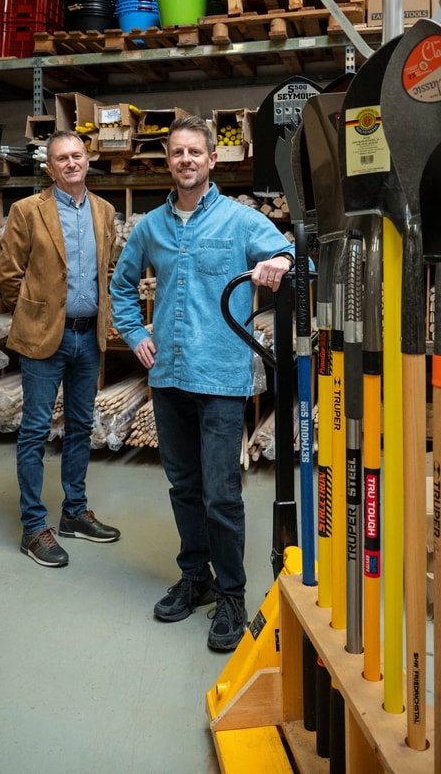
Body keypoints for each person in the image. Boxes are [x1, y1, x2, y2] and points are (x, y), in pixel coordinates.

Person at [109, 114, 295, 651]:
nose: (186, 160)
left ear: (212, 160)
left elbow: (288, 252)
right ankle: (197, 577)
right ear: (168, 161)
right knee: (184, 488)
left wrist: (277, 263)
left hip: (220, 378)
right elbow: (121, 286)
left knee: (221, 494)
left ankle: (232, 593)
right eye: (177, 153)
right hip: (166, 377)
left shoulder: (240, 221)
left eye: (195, 152)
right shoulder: (150, 227)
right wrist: (135, 331)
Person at [0, 129, 120, 567]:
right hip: (45, 336)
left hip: (89, 336)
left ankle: (74, 514)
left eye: (77, 156)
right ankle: (33, 528)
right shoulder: (28, 210)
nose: (71, 164)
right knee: (34, 432)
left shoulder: (104, 211)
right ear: (49, 168)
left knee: (81, 426)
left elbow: (107, 266)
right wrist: (34, 314)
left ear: (88, 161)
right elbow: (7, 276)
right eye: (61, 158)